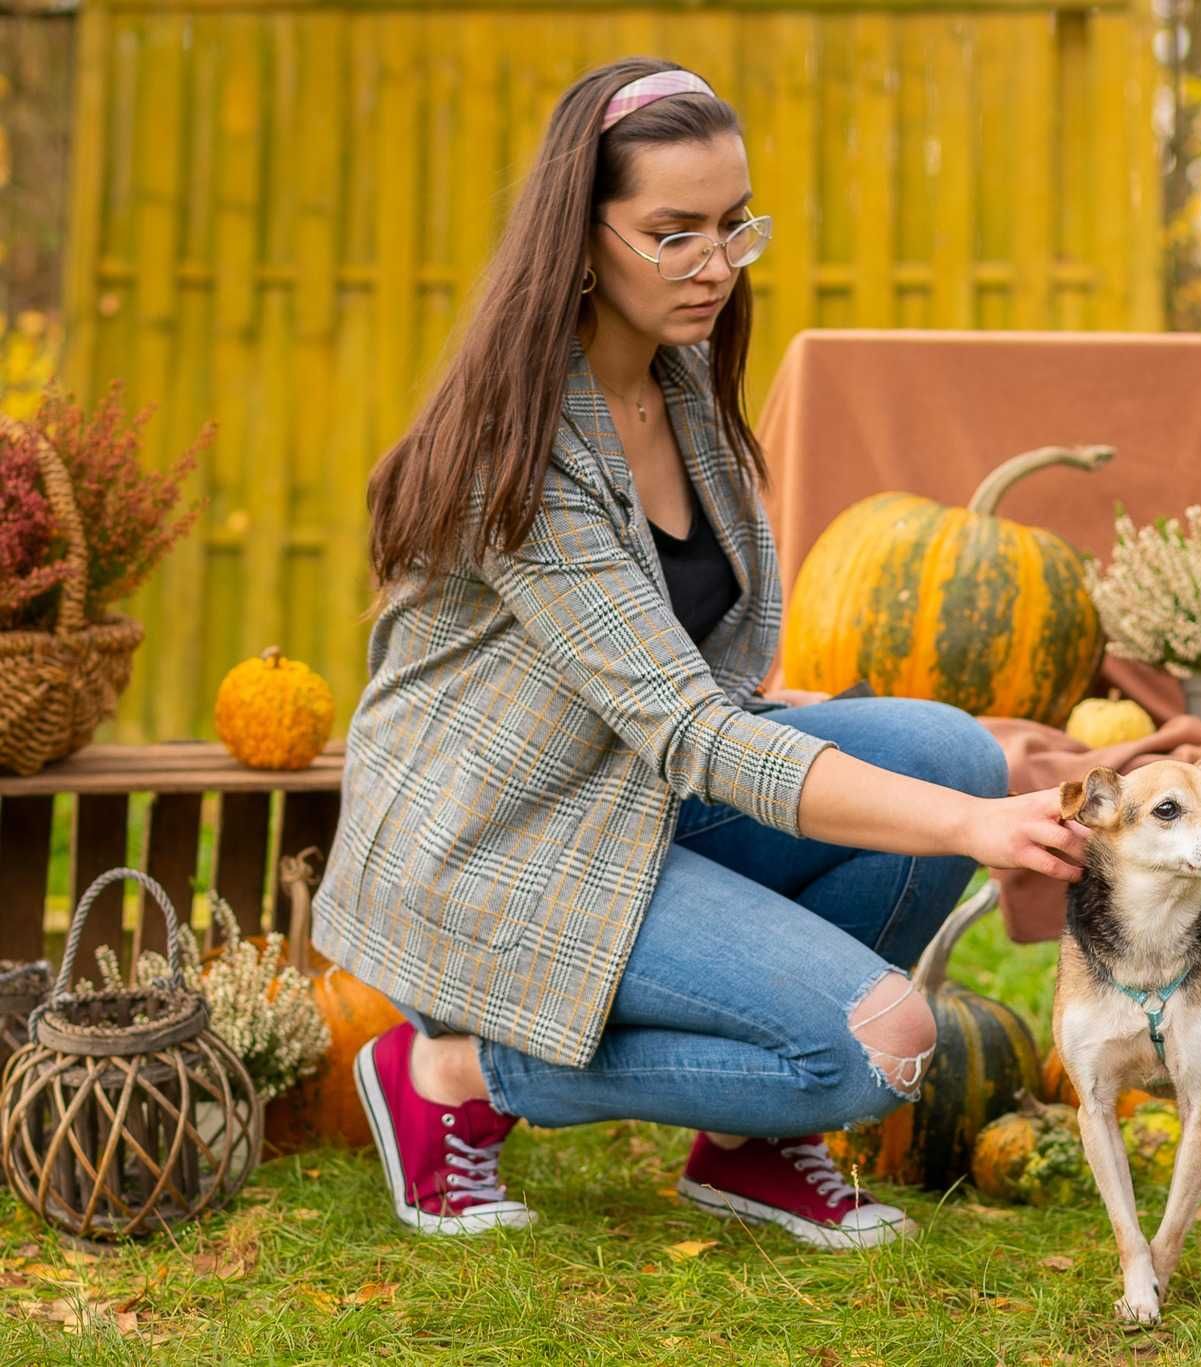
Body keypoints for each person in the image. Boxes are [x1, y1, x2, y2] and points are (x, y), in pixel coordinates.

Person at [310, 57, 1089, 1250]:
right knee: (881, 1045)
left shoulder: (684, 387)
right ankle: (457, 1073)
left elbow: (706, 687)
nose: (714, 266)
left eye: (732, 227)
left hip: (628, 800)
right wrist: (968, 831)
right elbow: (686, 728)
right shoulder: (513, 457)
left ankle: (745, 1142)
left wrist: (941, 788)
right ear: (578, 241)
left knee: (947, 750)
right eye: (670, 234)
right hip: (499, 851)